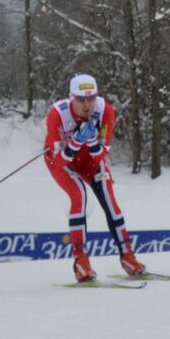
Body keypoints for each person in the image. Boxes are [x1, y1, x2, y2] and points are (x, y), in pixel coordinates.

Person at [44, 74, 145, 282]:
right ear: (72, 98)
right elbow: (60, 161)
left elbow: (100, 153)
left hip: (90, 159)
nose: (87, 105)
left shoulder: (105, 111)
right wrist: (74, 142)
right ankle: (81, 262)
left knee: (109, 199)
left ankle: (128, 257)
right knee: (79, 195)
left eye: (91, 98)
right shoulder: (57, 115)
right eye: (81, 100)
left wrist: (90, 140)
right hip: (63, 161)